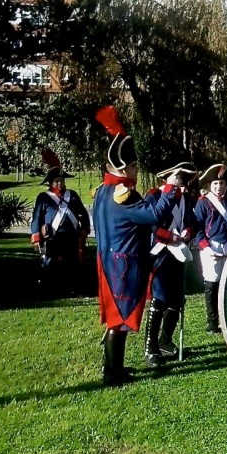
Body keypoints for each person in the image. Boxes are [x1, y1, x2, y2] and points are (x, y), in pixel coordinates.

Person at [92, 106, 181, 386]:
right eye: (133, 166)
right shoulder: (123, 195)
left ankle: (113, 368)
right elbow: (154, 216)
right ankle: (112, 373)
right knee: (118, 321)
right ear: (122, 168)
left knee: (114, 320)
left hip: (108, 261)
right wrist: (170, 190)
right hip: (123, 265)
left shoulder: (103, 191)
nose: (137, 170)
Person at [143, 162, 198, 366]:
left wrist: (188, 233)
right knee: (159, 299)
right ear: (167, 180)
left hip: (179, 253)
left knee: (176, 300)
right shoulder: (154, 196)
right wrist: (169, 237)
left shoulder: (186, 199)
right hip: (160, 253)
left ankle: (166, 340)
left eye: (184, 184)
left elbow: (191, 221)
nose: (182, 188)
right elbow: (151, 224)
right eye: (178, 182)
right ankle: (151, 348)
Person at [193, 163, 227, 334]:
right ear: (209, 185)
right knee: (211, 285)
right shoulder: (203, 203)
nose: (219, 187)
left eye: (221, 183)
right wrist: (206, 248)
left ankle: (226, 317)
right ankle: (212, 321)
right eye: (215, 184)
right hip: (211, 245)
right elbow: (198, 228)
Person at [30, 150, 90, 295]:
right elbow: (37, 218)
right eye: (57, 181)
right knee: (52, 264)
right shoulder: (43, 197)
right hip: (53, 237)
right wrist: (37, 237)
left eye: (62, 180)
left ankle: (74, 289)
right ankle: (51, 289)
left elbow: (83, 213)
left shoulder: (72, 195)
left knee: (73, 264)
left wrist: (85, 228)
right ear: (50, 183)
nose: (60, 183)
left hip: (71, 236)